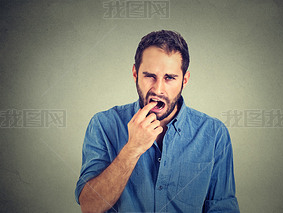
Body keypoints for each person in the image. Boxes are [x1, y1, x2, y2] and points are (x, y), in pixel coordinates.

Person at [75, 30, 240, 213]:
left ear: (184, 80)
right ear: (135, 73)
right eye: (149, 76)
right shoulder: (103, 125)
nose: (158, 89)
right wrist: (132, 149)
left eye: (169, 78)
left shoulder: (214, 133)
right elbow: (90, 206)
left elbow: (222, 207)